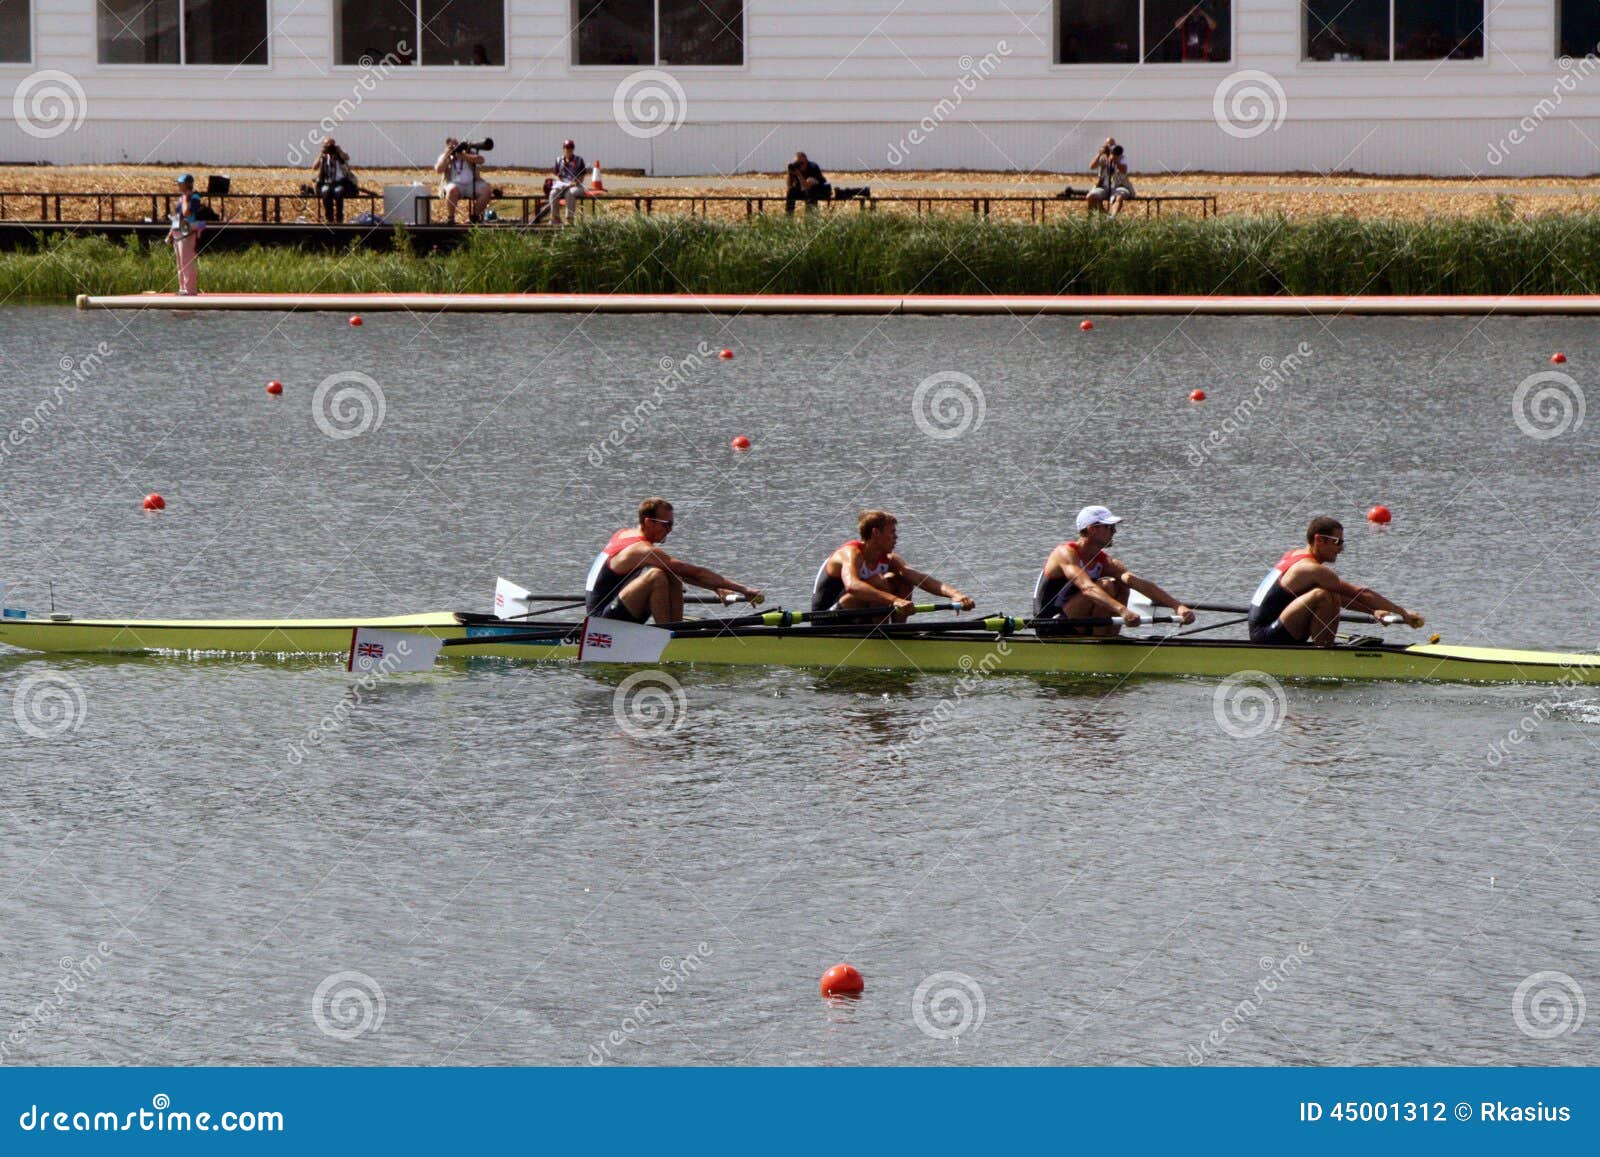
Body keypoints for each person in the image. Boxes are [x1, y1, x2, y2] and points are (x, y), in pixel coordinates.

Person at [1247, 516, 1425, 646]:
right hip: (1268, 636)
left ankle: (1323, 648)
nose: (1341, 549)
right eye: (1337, 542)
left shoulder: (1294, 554)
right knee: (1324, 595)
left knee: (1329, 593)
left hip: (1265, 630)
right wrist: (1403, 612)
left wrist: (1373, 611)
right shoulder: (1310, 569)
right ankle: (1325, 652)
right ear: (1319, 540)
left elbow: (1343, 598)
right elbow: (1360, 593)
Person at [585, 498, 763, 624]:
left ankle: (674, 629)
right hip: (602, 621)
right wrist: (743, 589)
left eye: (672, 524)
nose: (670, 529)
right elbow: (696, 572)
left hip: (609, 609)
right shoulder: (642, 550)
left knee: (671, 573)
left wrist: (716, 588)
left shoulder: (625, 533)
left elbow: (683, 572)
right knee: (656, 576)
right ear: (649, 522)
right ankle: (669, 634)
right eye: (666, 524)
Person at [1033, 506, 1194, 637]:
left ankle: (1106, 639)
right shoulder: (1065, 553)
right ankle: (1100, 643)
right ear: (1092, 529)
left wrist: (1177, 606)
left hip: (1078, 623)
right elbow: (1087, 589)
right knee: (1105, 585)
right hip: (1050, 625)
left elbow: (1133, 580)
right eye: (1109, 527)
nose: (1114, 531)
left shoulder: (1105, 561)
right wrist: (1123, 611)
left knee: (1122, 585)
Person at [811, 510, 975, 618]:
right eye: (892, 532)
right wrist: (895, 600)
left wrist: (956, 595)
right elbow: (852, 586)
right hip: (827, 618)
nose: (896, 537)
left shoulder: (889, 559)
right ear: (876, 533)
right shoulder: (850, 552)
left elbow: (920, 579)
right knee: (878, 582)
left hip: (856, 616)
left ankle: (897, 633)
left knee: (904, 579)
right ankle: (880, 637)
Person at [434, 136, 491, 224]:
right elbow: (438, 170)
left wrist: (464, 156)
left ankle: (475, 216)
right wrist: (447, 155)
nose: (455, 147)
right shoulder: (445, 156)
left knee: (486, 191)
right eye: (452, 146)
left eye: (456, 145)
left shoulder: (467, 153)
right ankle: (451, 218)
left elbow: (481, 160)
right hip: (454, 184)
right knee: (452, 190)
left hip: (471, 184)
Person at [165, 173, 205, 296]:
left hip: (187, 231)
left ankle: (190, 289)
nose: (178, 185)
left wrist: (186, 199)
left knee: (187, 261)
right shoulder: (182, 197)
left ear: (187, 184)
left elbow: (187, 213)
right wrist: (170, 232)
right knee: (180, 262)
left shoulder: (194, 197)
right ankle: (183, 288)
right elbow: (178, 216)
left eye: (181, 183)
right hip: (178, 230)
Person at [312, 137, 357, 224]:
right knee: (325, 191)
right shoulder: (324, 157)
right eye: (326, 146)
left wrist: (339, 150)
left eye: (331, 145)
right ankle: (329, 218)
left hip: (339, 182)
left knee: (339, 192)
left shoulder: (339, 156)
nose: (329, 148)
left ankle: (339, 218)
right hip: (327, 183)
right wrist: (321, 153)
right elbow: (314, 167)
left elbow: (347, 158)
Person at [549, 139, 589, 226]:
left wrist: (575, 183)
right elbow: (555, 174)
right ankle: (555, 218)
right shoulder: (559, 160)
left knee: (569, 193)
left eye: (571, 147)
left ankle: (569, 220)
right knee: (553, 193)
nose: (568, 149)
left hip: (576, 186)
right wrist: (559, 181)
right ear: (563, 149)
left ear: (573, 149)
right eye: (566, 147)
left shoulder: (579, 160)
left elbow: (582, 176)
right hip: (562, 185)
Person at [1086, 140, 1129, 214]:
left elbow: (1124, 170)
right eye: (1108, 145)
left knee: (1118, 197)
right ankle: (1105, 216)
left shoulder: (1121, 157)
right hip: (1103, 186)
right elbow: (1092, 167)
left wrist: (1115, 160)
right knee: (1091, 197)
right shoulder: (1102, 157)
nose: (1110, 148)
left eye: (1112, 145)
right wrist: (1099, 154)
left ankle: (1112, 218)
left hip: (1117, 186)